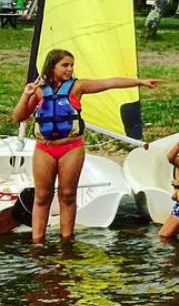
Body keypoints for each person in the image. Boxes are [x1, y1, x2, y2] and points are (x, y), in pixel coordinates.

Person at [11, 48, 160, 242]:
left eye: (72, 65)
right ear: (52, 66)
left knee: (67, 195)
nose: (70, 69)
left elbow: (109, 83)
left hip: (71, 148)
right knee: (42, 197)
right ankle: (37, 242)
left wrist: (139, 82)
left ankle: (67, 241)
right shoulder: (38, 90)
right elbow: (18, 117)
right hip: (45, 148)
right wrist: (26, 94)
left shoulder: (77, 87)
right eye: (65, 65)